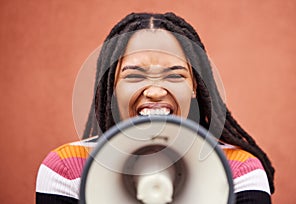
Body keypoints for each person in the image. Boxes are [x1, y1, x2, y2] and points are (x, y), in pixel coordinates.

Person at [36, 12, 275, 204]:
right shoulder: (65, 167)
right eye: (134, 75)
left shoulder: (241, 171)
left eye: (174, 75)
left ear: (195, 86)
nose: (155, 91)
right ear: (112, 86)